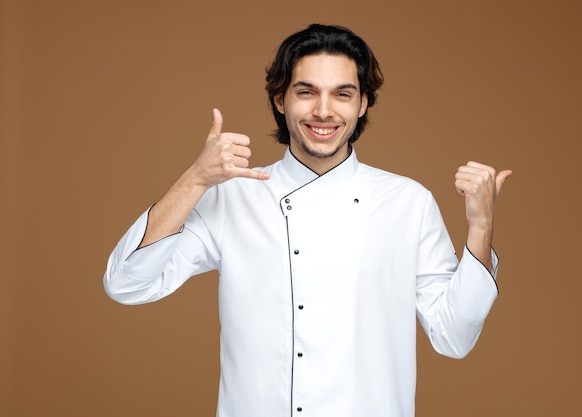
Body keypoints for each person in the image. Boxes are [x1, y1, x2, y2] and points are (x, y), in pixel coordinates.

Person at [104, 23, 512, 417]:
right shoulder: (234, 196)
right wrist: (195, 179)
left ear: (363, 103)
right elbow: (127, 283)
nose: (323, 111)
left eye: (342, 94)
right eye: (306, 92)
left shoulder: (407, 203)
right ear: (280, 100)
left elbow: (454, 336)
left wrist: (480, 226)